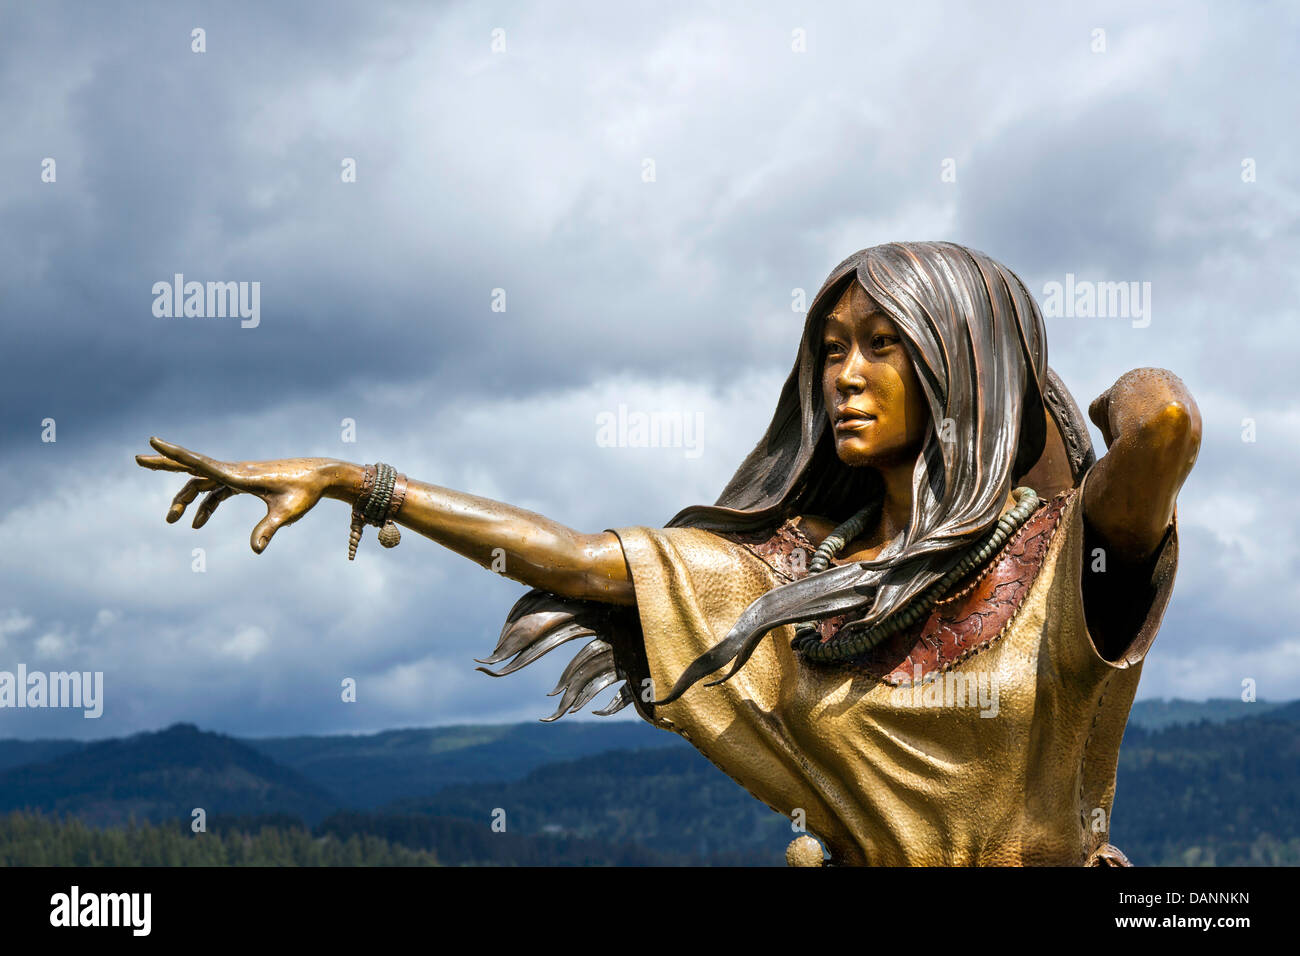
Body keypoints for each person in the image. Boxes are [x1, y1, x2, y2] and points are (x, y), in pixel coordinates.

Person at [137, 241, 1199, 865]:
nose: (843, 375)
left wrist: (1068, 402)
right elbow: (577, 561)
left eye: (883, 345)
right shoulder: (795, 579)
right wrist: (361, 482)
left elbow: (1161, 427)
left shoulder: (1066, 561)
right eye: (828, 349)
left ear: (960, 362)